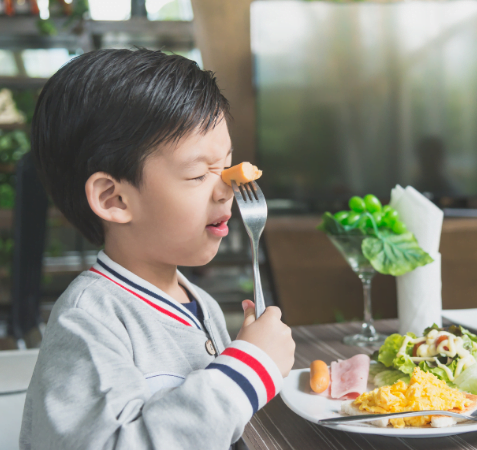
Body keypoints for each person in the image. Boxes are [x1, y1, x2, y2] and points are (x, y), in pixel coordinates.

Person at [20, 48, 295, 450]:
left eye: (228, 166)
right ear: (114, 199)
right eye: (199, 174)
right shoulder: (90, 320)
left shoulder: (202, 304)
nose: (228, 189)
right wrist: (247, 369)